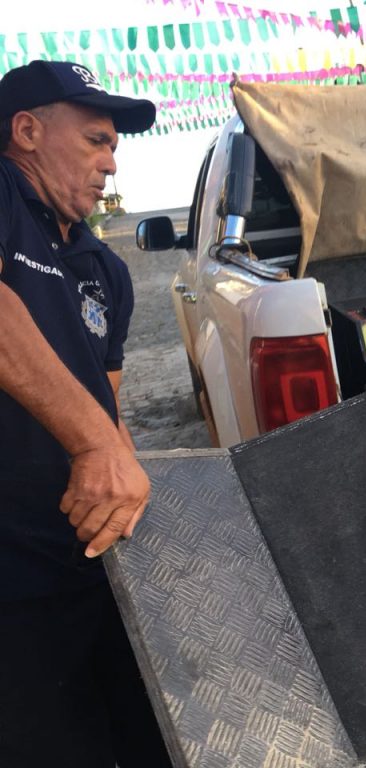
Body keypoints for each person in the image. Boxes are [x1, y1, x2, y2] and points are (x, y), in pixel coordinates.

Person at [0, 61, 171, 767]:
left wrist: (142, 522)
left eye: (115, 147)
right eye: (96, 141)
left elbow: (110, 405)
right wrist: (96, 446)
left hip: (90, 563)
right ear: (27, 131)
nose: (111, 162)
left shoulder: (106, 268)